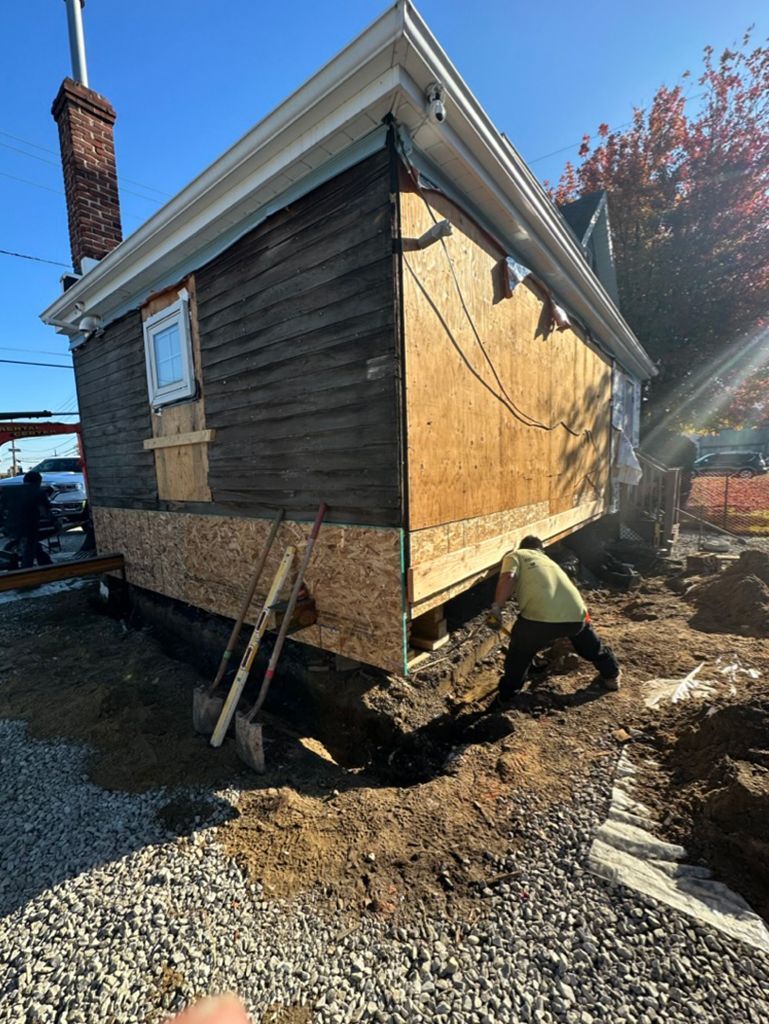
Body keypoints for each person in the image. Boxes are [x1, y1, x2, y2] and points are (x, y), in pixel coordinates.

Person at [487, 535, 621, 702]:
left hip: (538, 619)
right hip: (576, 613)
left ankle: (508, 694)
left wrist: (496, 608)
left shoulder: (516, 555)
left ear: (522, 547)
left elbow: (509, 577)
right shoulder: (549, 562)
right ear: (540, 550)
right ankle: (611, 675)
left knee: (519, 654)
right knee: (590, 644)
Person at [3, 471, 54, 569]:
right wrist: (55, 522)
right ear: (39, 481)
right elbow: (44, 511)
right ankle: (26, 574)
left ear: (24, 480)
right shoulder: (38, 491)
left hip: (9, 525)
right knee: (29, 551)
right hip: (29, 526)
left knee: (33, 545)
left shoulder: (9, 491)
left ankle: (46, 564)